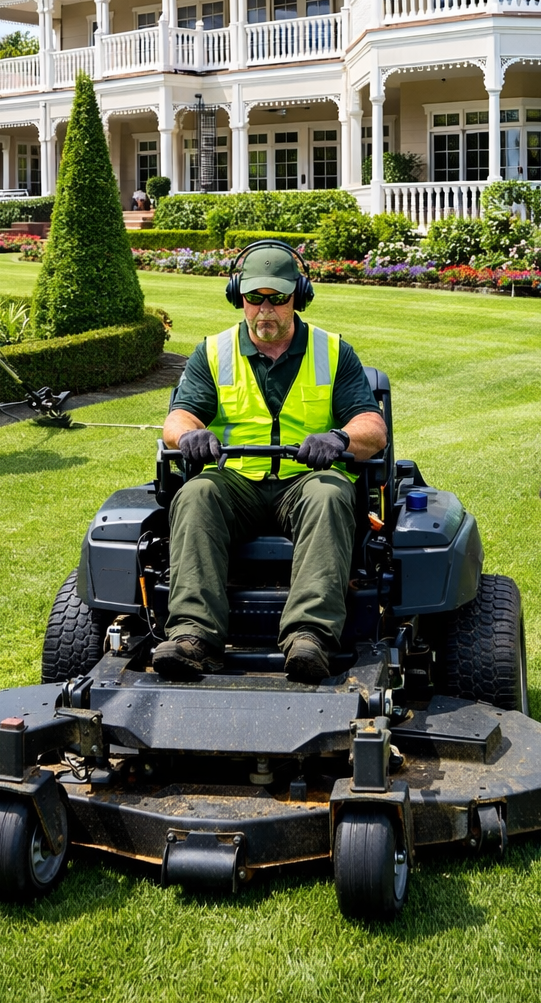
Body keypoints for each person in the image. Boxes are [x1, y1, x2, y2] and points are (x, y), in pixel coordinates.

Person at [153, 243, 388, 684]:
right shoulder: (214, 352)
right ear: (237, 295)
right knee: (195, 492)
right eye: (254, 297)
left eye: (277, 298)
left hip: (305, 481)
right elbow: (177, 420)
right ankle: (192, 636)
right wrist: (189, 435)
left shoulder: (334, 352)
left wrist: (339, 439)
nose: (265, 309)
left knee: (330, 493)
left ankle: (309, 637)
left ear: (298, 296)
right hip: (236, 482)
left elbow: (372, 430)